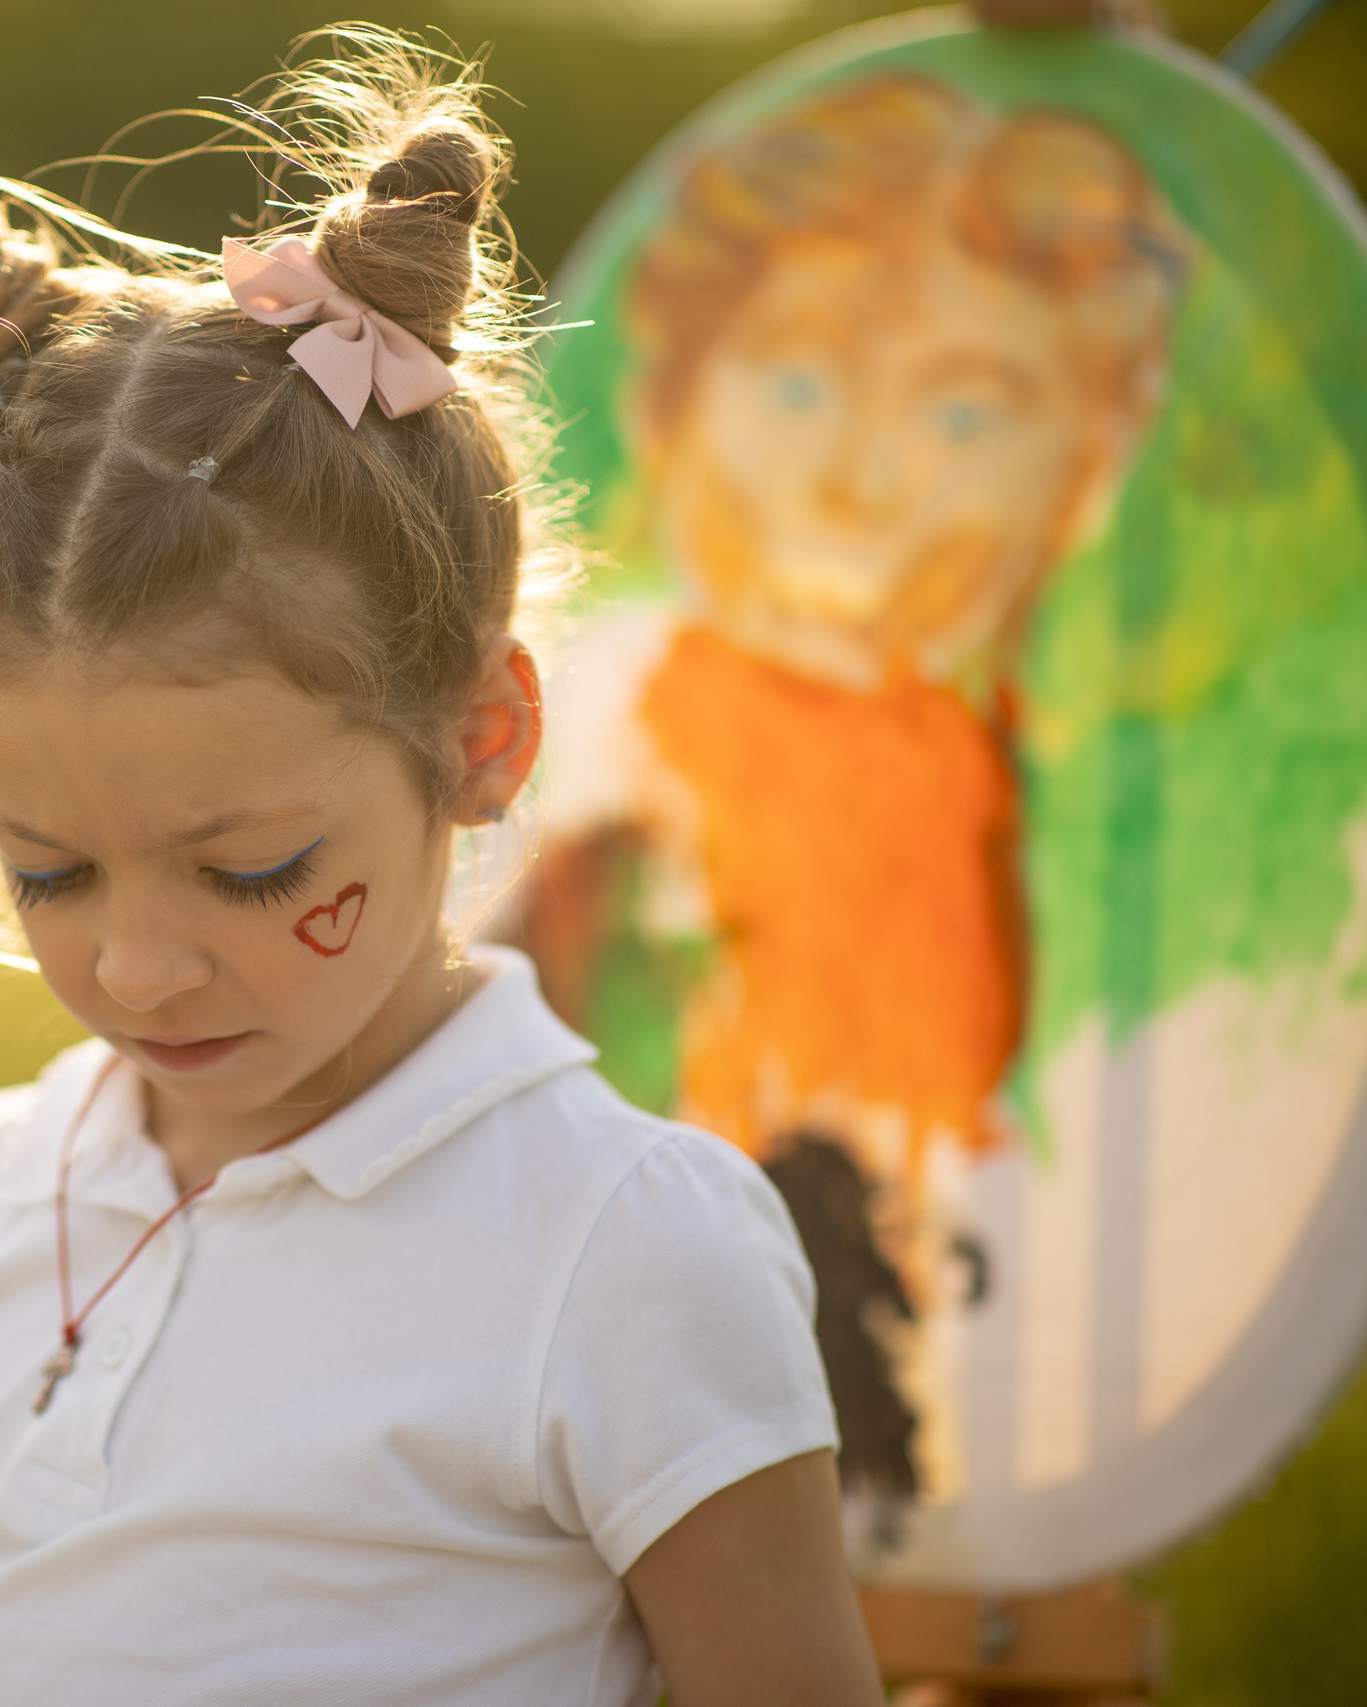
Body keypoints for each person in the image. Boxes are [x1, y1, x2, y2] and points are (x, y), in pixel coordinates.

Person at [0, 32, 880, 1707]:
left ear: (483, 742)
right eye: (52, 872)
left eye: (252, 870)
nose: (137, 971)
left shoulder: (624, 1250)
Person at [512, 73, 1187, 1537]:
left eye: (964, 409)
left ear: (1083, 473)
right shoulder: (597, 717)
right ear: (668, 397)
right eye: (802, 381)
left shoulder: (1004, 774)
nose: (863, 483)